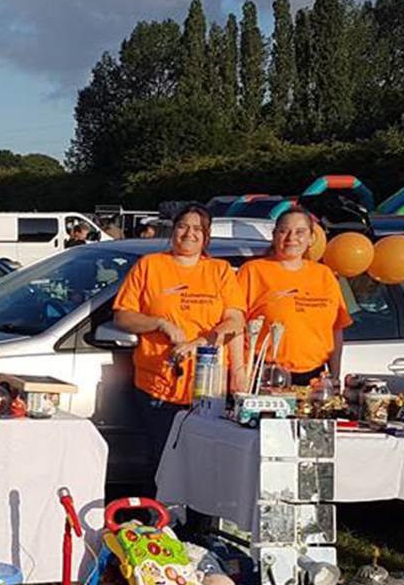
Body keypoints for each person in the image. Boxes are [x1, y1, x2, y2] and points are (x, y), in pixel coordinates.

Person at [113, 204, 244, 493]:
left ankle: (199, 528)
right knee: (164, 461)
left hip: (208, 388)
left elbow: (235, 320)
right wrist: (159, 323)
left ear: (207, 237)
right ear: (173, 231)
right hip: (157, 384)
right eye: (183, 226)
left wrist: (202, 341)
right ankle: (163, 524)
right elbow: (122, 316)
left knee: (206, 463)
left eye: (198, 228)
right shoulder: (150, 265)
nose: (189, 233)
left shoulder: (220, 271)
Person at [236, 207, 352, 389]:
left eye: (300, 232)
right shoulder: (253, 271)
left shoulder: (324, 274)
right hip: (266, 375)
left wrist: (335, 376)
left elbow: (336, 330)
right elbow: (236, 325)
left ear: (312, 238)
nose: (291, 238)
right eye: (284, 231)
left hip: (315, 379)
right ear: (274, 236)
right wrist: (241, 373)